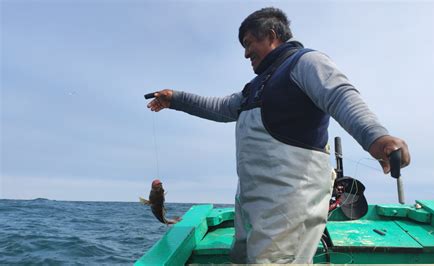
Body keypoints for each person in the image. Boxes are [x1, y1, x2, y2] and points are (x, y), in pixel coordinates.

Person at [146, 7, 410, 264]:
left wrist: (376, 137)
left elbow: (341, 95)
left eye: (249, 43)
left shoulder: (306, 62)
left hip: (289, 204)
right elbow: (219, 107)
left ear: (272, 35)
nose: (246, 53)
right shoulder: (254, 88)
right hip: (252, 202)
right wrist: (175, 99)